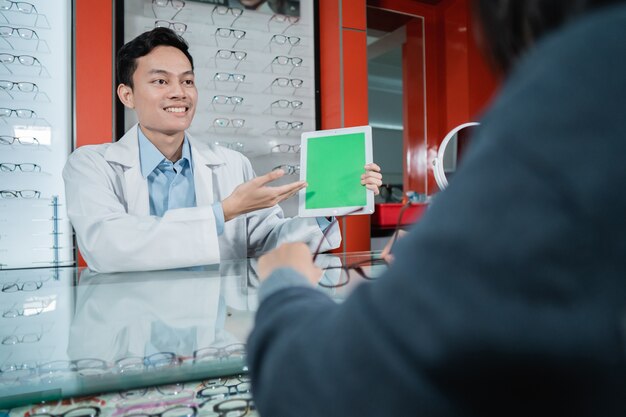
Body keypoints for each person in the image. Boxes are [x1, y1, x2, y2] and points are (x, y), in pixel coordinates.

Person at [246, 1, 626, 416]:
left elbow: (334, 388)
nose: (178, 92)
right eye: (161, 80)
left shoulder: (580, 87)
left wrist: (284, 284)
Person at [63, 27, 382, 273]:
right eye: (161, 82)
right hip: (133, 338)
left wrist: (330, 204)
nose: (179, 93)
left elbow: (267, 242)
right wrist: (223, 212)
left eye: (187, 82)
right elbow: (107, 246)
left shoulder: (231, 164)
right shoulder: (91, 165)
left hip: (214, 331)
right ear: (127, 95)